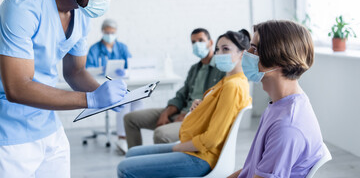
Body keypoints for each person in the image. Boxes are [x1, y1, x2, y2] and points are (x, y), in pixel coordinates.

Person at [0, 0, 127, 178]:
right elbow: (17, 88)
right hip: (9, 131)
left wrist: (105, 94)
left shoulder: (82, 15)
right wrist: (91, 99)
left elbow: (75, 71)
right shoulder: (22, 7)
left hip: (49, 125)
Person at [117, 29, 252, 178]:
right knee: (131, 153)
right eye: (218, 50)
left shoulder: (233, 86)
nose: (219, 54)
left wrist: (179, 147)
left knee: (124, 168)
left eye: (225, 49)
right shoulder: (226, 81)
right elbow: (196, 101)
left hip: (201, 156)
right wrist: (201, 106)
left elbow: (212, 139)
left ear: (242, 53)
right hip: (196, 147)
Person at [228, 20, 324, 178]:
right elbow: (251, 168)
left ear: (279, 59)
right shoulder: (279, 104)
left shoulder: (287, 126)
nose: (247, 52)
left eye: (256, 48)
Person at [123, 28, 225, 149]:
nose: (197, 44)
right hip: (179, 111)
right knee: (130, 119)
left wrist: (188, 115)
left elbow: (213, 102)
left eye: (201, 40)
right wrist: (166, 113)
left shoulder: (221, 69)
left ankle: (160, 166)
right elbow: (181, 95)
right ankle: (135, 162)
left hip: (196, 118)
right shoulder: (194, 69)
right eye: (193, 42)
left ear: (211, 42)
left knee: (161, 134)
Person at [86, 18, 141, 154]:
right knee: (124, 98)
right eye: (107, 32)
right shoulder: (94, 49)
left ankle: (133, 133)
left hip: (121, 81)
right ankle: (122, 137)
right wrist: (101, 70)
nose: (110, 35)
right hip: (102, 83)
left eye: (112, 32)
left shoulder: (122, 47)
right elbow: (87, 70)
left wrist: (124, 71)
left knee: (138, 98)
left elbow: (131, 65)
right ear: (102, 31)